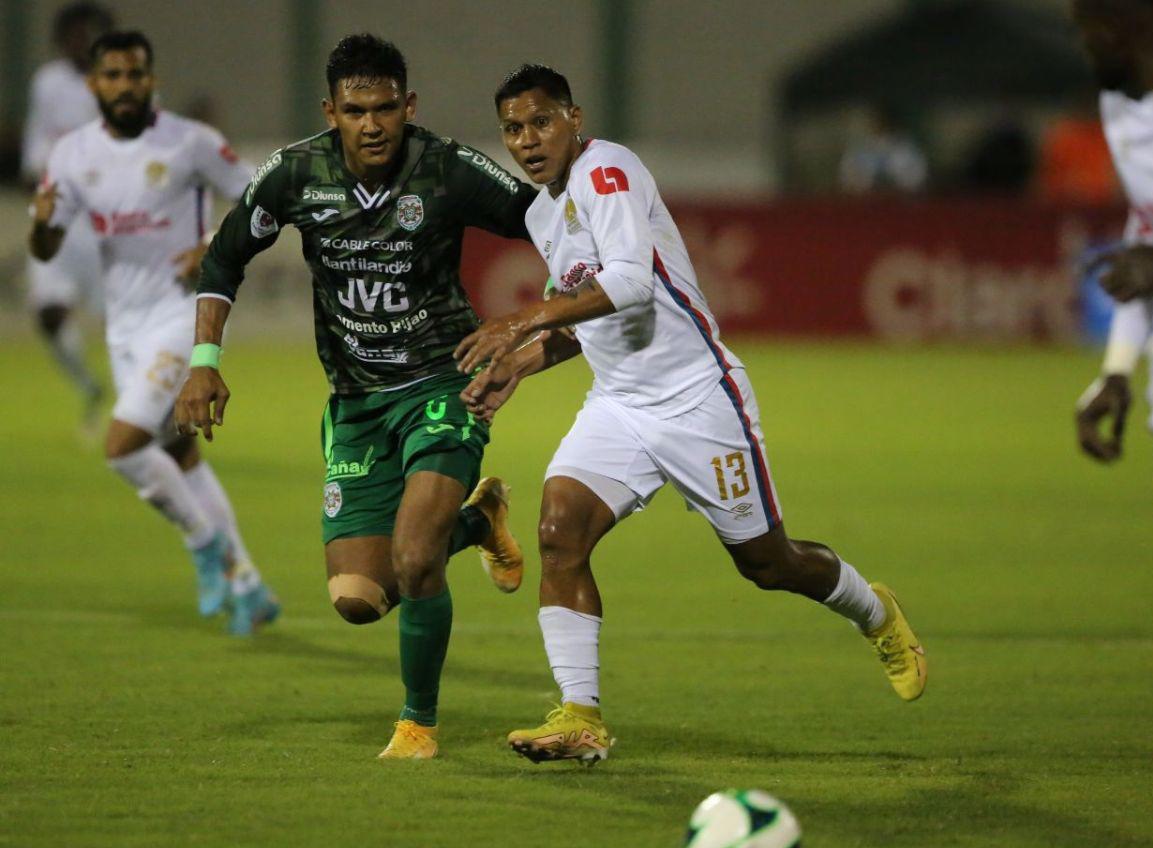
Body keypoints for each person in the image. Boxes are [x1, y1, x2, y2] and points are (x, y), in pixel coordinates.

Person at [455, 65, 927, 766]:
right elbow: (589, 312)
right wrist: (530, 358)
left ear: (574, 118)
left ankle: (874, 612)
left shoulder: (607, 170)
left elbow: (630, 284)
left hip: (697, 398)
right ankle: (580, 715)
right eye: (514, 129)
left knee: (768, 563)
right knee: (559, 531)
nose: (528, 140)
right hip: (619, 402)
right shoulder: (539, 213)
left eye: (541, 121)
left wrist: (522, 319)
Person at [174, 34, 535, 759]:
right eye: (354, 110)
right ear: (330, 111)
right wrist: (204, 359)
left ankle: (417, 724)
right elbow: (224, 257)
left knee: (413, 556)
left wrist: (534, 328)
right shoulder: (296, 173)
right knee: (359, 600)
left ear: (409, 106)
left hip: (443, 380)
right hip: (357, 401)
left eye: (384, 108)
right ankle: (479, 520)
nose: (371, 124)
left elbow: (552, 225)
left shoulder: (448, 170)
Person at [28, 30, 276, 636]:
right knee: (177, 453)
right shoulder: (71, 153)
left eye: (135, 74)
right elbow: (46, 243)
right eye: (112, 75)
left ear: (151, 78)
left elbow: (261, 198)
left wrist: (213, 242)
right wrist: (39, 228)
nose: (125, 86)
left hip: (179, 315)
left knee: (122, 446)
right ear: (94, 85)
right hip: (124, 327)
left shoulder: (189, 142)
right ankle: (247, 583)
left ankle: (203, 543)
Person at [1072, 0, 1153, 684]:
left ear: (1130, 20)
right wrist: (1117, 369)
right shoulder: (1124, 110)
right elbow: (1148, 235)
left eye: (1086, 27)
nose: (1083, 45)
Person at [21, 3, 113, 437]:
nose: (80, 42)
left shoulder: (119, 83)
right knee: (49, 314)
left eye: (88, 34)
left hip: (104, 221)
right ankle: (91, 387)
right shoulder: (48, 82)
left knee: (120, 325)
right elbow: (39, 136)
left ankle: (151, 408)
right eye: (73, 34)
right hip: (56, 213)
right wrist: (33, 168)